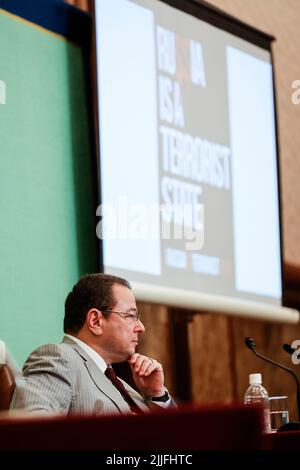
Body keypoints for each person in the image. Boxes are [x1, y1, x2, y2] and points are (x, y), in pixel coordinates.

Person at [10, 273, 175, 415]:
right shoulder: (59, 358)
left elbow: (176, 435)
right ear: (95, 321)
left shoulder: (121, 384)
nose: (141, 327)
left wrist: (157, 395)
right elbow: (30, 436)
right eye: (131, 316)